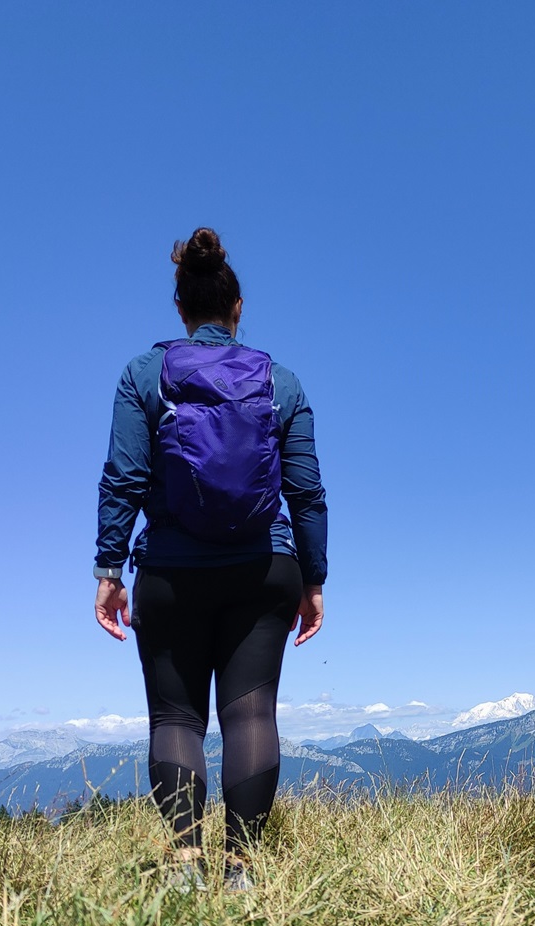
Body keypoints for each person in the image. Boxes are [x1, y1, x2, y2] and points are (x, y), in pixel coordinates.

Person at [93, 227, 327, 892]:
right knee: (251, 714)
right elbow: (306, 493)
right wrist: (313, 580)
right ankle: (240, 873)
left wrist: (109, 570)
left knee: (176, 718)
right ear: (238, 307)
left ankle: (184, 867)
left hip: (171, 570)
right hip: (264, 568)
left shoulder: (144, 375)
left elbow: (123, 479)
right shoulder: (281, 383)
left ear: (180, 309)